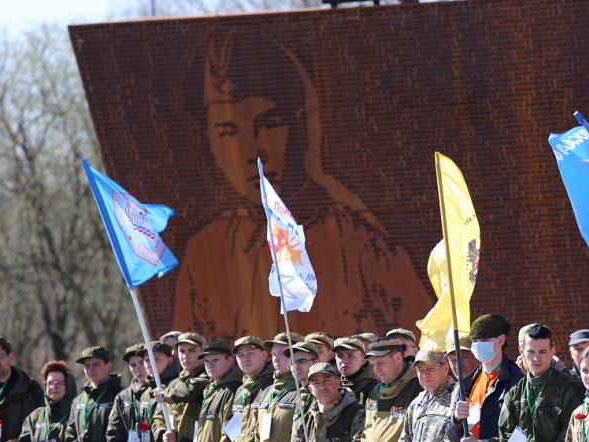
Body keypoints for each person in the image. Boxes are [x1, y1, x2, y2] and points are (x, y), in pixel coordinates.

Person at [173, 28, 430, 338]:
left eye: (267, 124)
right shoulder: (205, 252)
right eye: (228, 131)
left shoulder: (365, 246)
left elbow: (426, 350)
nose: (250, 150)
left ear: (299, 125)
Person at [334, 337, 379, 406]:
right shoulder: (332, 385)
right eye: (340, 355)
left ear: (363, 360)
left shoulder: (373, 387)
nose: (344, 360)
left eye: (350, 355)